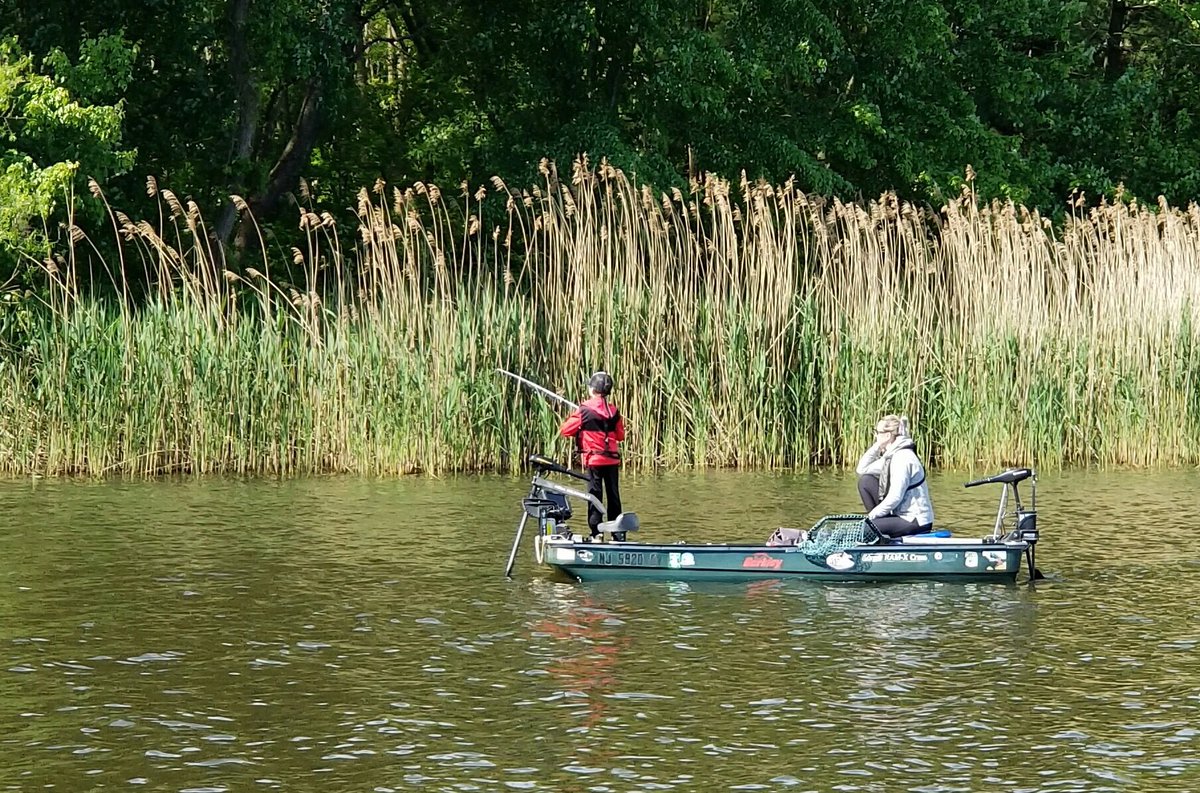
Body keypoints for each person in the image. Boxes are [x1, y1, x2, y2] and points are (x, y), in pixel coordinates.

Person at [559, 371, 626, 540]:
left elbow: (565, 430)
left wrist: (580, 417)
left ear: (592, 389)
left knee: (594, 495)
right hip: (612, 460)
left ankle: (596, 532)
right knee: (613, 495)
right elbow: (620, 436)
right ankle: (617, 532)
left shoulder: (584, 410)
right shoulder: (614, 411)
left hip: (594, 460)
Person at [855, 414, 934, 540]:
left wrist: (871, 518)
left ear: (887, 436)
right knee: (866, 481)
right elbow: (862, 469)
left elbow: (895, 498)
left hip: (915, 520)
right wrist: (878, 445)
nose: (875, 436)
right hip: (899, 515)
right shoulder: (892, 455)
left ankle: (877, 531)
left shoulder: (903, 458)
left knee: (863, 529)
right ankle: (879, 528)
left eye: (877, 432)